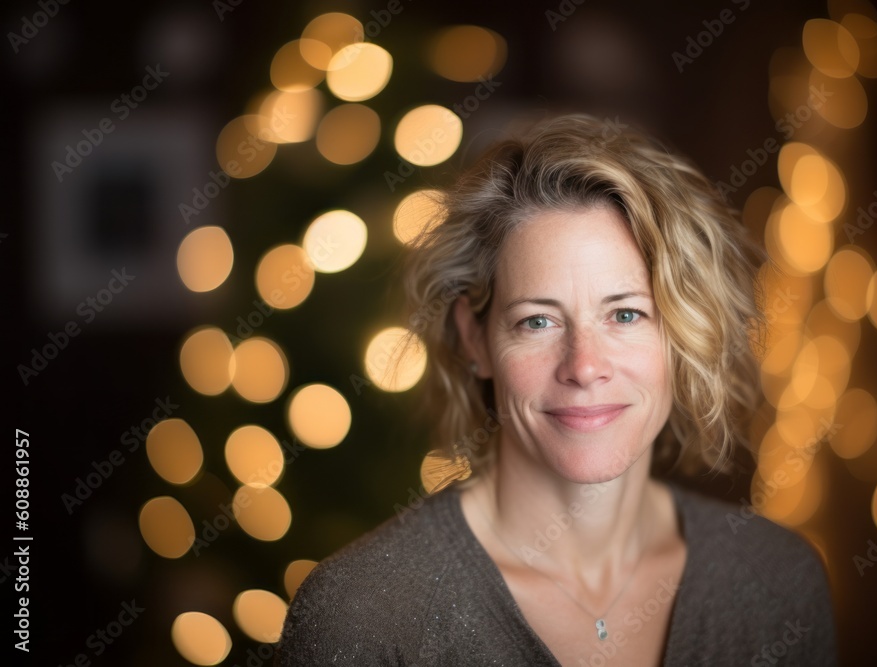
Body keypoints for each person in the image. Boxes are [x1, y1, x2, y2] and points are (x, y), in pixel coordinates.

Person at [276, 114, 837, 666]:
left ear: (685, 332)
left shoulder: (777, 582)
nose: (584, 366)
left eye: (625, 314)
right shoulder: (362, 616)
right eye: (537, 321)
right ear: (475, 341)